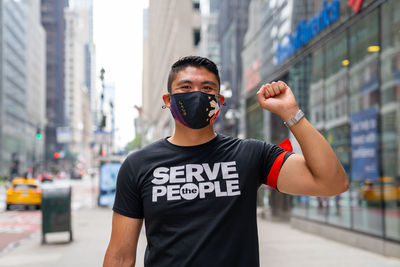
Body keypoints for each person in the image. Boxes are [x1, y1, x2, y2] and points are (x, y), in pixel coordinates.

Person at [103, 56, 349, 267]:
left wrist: (291, 113)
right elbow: (120, 257)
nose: (197, 95)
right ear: (168, 101)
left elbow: (331, 183)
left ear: (219, 102)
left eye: (208, 89)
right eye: (186, 87)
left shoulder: (251, 155)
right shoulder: (138, 165)